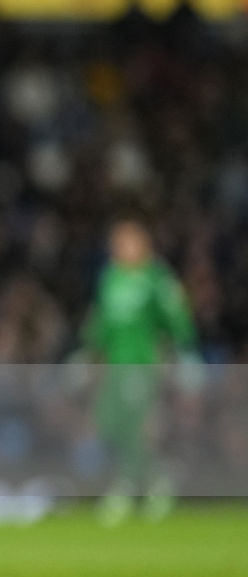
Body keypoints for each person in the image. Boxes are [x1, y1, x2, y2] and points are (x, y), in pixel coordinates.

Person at [80, 217, 198, 524]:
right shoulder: (111, 277)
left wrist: (182, 350)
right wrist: (89, 349)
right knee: (110, 423)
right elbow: (103, 320)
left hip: (142, 362)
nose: (121, 248)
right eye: (117, 243)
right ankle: (157, 479)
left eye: (128, 241)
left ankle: (127, 487)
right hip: (114, 364)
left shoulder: (155, 278)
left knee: (136, 425)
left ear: (143, 244)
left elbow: (176, 315)